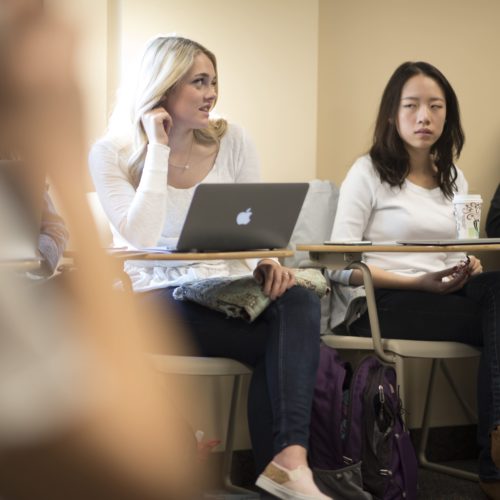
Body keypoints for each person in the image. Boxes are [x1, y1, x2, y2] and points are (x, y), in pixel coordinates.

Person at [89, 35, 329, 500]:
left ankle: (289, 462)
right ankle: (285, 473)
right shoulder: (111, 153)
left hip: (229, 289)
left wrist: (265, 263)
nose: (211, 93)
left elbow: (259, 227)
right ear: (163, 87)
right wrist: (158, 149)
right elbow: (139, 233)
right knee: (283, 345)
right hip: (155, 302)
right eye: (199, 82)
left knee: (296, 300)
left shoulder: (233, 140)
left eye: (213, 82)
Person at [329, 61, 500, 498]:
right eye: (412, 106)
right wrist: (419, 283)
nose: (425, 117)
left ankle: (495, 447)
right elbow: (336, 265)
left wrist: (471, 265)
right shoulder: (366, 172)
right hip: (384, 302)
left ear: (448, 115)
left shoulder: (454, 176)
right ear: (392, 114)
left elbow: (465, 246)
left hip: (447, 298)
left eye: (435, 107)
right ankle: (493, 460)